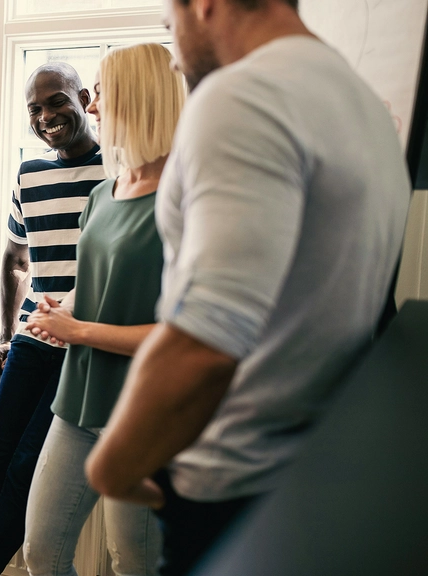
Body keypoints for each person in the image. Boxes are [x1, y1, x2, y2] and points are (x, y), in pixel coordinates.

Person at [85, 1, 411, 575]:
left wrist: (109, 467)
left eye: (170, 23)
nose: (174, 47)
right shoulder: (362, 103)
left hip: (225, 483)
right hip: (307, 472)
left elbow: (204, 341)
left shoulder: (242, 97)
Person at [19, 43, 184, 576]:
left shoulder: (185, 201)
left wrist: (80, 329)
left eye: (102, 94)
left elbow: (182, 336)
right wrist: (57, 312)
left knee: (131, 563)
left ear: (138, 99)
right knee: (41, 554)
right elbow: (90, 289)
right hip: (78, 400)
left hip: (142, 415)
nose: (91, 108)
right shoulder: (105, 192)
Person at [0, 63, 106, 576]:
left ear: (84, 98)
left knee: (25, 471)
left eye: (56, 101)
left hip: (82, 350)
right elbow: (16, 259)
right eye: (35, 109)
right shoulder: (29, 173)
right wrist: (3, 334)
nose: (46, 116)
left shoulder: (119, 172)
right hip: (29, 343)